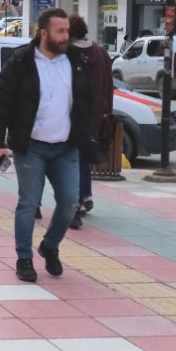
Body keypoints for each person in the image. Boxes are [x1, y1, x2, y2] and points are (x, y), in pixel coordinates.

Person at [0, 8, 92, 283]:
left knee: (69, 203)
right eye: (60, 31)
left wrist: (88, 134)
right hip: (31, 146)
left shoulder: (77, 61)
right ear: (43, 33)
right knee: (29, 203)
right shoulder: (21, 62)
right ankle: (24, 258)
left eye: (67, 31)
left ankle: (50, 246)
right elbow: (0, 103)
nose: (66, 36)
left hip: (66, 148)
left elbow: (87, 101)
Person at [67, 14, 113, 230]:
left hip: (73, 115)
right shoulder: (101, 52)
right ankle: (85, 195)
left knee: (71, 159)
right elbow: (108, 85)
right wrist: (106, 113)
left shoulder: (69, 53)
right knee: (83, 157)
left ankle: (75, 204)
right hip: (96, 115)